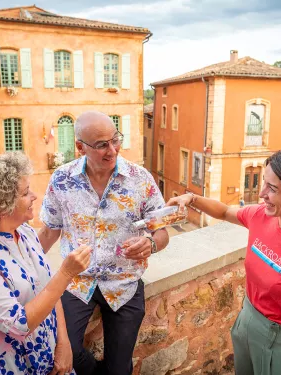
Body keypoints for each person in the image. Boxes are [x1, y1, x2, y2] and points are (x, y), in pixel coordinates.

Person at [167, 149, 281, 375]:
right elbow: (224, 211)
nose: (262, 193)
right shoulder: (260, 216)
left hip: (280, 341)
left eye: (272, 188)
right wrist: (191, 198)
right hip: (247, 322)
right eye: (264, 183)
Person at [38, 111, 169, 375]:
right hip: (77, 281)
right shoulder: (61, 180)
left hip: (125, 282)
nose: (112, 150)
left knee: (120, 368)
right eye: (101, 145)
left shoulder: (140, 179)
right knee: (66, 352)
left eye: (115, 140)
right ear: (80, 147)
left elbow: (163, 233)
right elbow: (49, 232)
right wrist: (20, 268)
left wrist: (150, 244)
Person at [0, 152, 91, 375]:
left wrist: (64, 343)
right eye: (26, 193)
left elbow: (48, 290)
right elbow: (19, 325)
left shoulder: (25, 233)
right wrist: (66, 273)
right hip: (5, 368)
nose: (34, 196)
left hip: (47, 358)